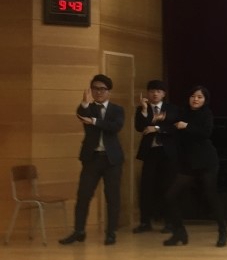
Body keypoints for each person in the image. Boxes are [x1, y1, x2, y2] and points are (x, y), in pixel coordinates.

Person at [60, 74, 125, 246]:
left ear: (109, 91)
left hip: (112, 160)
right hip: (92, 159)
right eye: (95, 88)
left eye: (102, 89)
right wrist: (84, 103)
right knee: (83, 195)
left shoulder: (117, 110)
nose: (99, 92)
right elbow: (81, 114)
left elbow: (115, 127)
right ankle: (79, 231)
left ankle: (111, 233)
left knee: (112, 197)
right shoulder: (88, 107)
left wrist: (94, 121)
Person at [163, 86, 227, 247]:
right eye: (193, 96)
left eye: (199, 97)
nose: (195, 99)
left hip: (206, 161)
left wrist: (186, 126)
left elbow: (205, 133)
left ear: (205, 100)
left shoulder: (207, 114)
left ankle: (223, 232)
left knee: (211, 196)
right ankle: (179, 233)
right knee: (170, 196)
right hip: (188, 162)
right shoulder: (182, 112)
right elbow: (172, 126)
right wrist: (160, 123)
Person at [133, 80, 178, 234]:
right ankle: (145, 222)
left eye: (158, 91)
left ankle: (169, 222)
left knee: (168, 186)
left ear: (164, 94)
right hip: (150, 152)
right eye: (152, 91)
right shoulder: (142, 108)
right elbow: (139, 127)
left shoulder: (171, 109)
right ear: (148, 93)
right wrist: (145, 110)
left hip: (167, 153)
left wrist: (157, 128)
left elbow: (174, 127)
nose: (155, 94)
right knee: (146, 187)